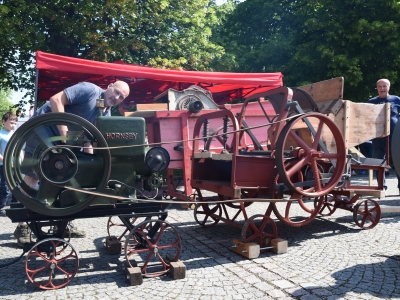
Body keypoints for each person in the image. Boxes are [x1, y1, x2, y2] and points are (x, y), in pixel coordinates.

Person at [14, 81, 130, 247]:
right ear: (110, 86)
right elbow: (55, 99)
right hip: (42, 131)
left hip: (66, 143)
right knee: (32, 177)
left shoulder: (106, 112)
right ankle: (22, 226)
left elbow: (92, 139)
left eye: (121, 97)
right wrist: (63, 132)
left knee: (68, 177)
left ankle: (62, 221)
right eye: (116, 92)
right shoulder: (88, 90)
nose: (117, 97)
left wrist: (93, 164)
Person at [368, 78, 400, 193]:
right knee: (378, 161)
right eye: (380, 86)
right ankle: (382, 186)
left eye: (385, 86)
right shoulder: (371, 102)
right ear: (377, 88)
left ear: (389, 87)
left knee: (398, 160)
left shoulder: (396, 99)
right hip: (378, 136)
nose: (382, 88)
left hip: (395, 135)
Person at [0, 112, 18, 216]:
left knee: (17, 186)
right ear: (3, 121)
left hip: (15, 165)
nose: (13, 125)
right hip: (3, 165)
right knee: (5, 187)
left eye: (15, 123)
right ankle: (1, 207)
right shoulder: (1, 134)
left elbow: (18, 150)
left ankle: (15, 205)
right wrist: (5, 161)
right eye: (11, 122)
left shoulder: (15, 134)